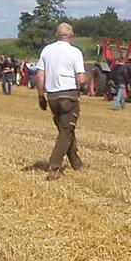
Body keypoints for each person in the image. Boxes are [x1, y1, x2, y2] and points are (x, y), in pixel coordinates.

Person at [35, 22, 86, 180]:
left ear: (57, 35)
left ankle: (76, 163)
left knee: (66, 130)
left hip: (52, 96)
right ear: (71, 36)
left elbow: (39, 76)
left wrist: (40, 96)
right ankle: (54, 167)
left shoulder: (47, 50)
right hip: (68, 95)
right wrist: (82, 88)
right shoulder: (75, 52)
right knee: (65, 132)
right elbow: (82, 79)